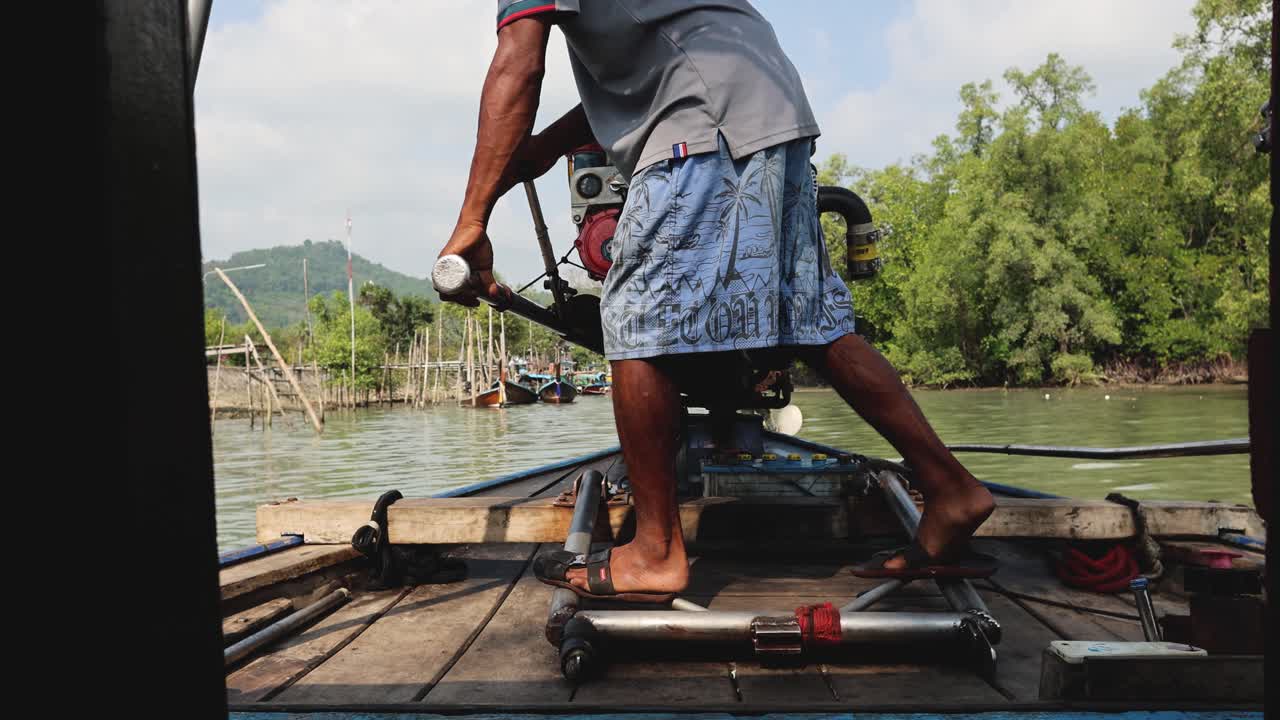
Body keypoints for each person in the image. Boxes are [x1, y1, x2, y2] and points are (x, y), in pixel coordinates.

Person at [437, 1, 996, 602]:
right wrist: (547, 146)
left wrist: (471, 220)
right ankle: (950, 489)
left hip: (705, 130)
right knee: (809, 322)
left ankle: (654, 553)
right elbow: (657, 74)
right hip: (768, 111)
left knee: (635, 324)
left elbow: (517, 68)